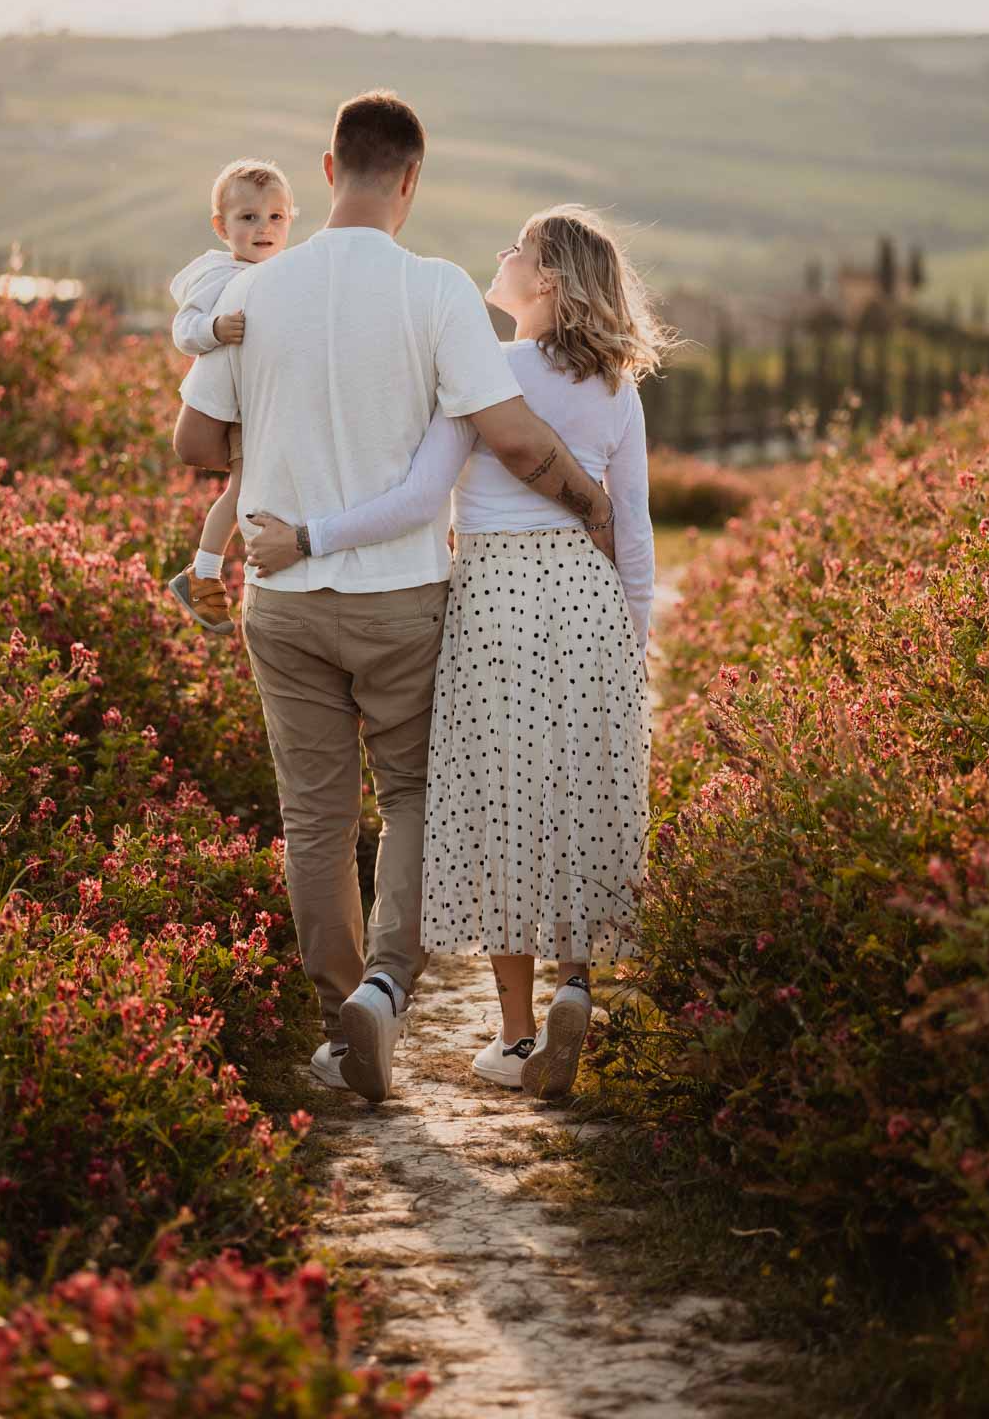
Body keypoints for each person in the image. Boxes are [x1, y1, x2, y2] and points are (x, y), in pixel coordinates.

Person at [172, 93, 616, 1104]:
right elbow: (510, 438)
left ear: (327, 171)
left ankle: (342, 1032)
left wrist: (277, 439)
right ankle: (385, 985)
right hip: (403, 599)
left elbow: (195, 449)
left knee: (313, 815)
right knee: (408, 794)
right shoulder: (436, 290)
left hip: (282, 601)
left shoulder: (253, 294)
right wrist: (590, 505)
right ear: (409, 179)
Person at [247, 205, 666, 1100]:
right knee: (580, 790)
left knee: (504, 807)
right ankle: (577, 986)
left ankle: (517, 1041)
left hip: (496, 600)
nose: (502, 255)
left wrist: (309, 534)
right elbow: (632, 526)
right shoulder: (619, 389)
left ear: (545, 280)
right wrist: (635, 638)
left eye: (518, 248)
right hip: (588, 602)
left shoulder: (487, 370)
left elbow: (416, 499)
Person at [165, 158, 296, 634]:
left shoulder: (287, 273)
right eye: (248, 218)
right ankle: (202, 574)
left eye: (276, 217)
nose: (264, 228)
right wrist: (214, 329)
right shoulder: (217, 274)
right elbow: (183, 331)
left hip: (265, 404)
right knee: (242, 490)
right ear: (222, 227)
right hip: (238, 410)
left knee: (259, 488)